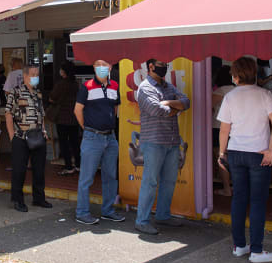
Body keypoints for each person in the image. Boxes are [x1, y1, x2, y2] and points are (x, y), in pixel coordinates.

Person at [217, 56, 272, 263]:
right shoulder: (264, 94)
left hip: (235, 152)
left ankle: (239, 246)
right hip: (259, 153)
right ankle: (256, 250)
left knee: (238, 199)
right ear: (254, 73)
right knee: (257, 202)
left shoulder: (230, 96)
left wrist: (221, 153)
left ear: (236, 76)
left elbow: (224, 129)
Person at [134, 59, 191, 236]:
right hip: (154, 141)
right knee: (150, 182)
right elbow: (156, 110)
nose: (164, 67)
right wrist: (174, 107)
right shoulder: (145, 88)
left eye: (165, 64)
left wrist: (166, 103)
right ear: (150, 66)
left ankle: (163, 215)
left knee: (169, 181)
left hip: (172, 141)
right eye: (160, 63)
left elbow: (186, 102)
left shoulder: (168, 86)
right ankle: (142, 221)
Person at [73, 59, 125, 225]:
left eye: (105, 65)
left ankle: (108, 211)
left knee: (110, 176)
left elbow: (114, 109)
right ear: (94, 67)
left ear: (110, 67)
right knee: (87, 178)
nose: (102, 68)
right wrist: (87, 128)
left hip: (110, 137)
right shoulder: (86, 86)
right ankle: (82, 212)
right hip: (92, 137)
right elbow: (77, 110)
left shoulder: (115, 86)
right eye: (99, 65)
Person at [6, 62, 52, 212]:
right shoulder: (15, 92)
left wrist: (44, 131)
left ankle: (39, 198)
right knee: (19, 170)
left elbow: (41, 114)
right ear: (25, 76)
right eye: (32, 75)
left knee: (39, 170)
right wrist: (12, 136)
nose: (35, 77)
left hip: (38, 136)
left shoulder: (38, 93)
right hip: (21, 137)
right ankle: (17, 200)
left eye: (37, 75)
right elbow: (8, 114)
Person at [49, 60, 80, 175]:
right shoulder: (75, 84)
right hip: (74, 117)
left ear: (64, 71)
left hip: (62, 117)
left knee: (64, 143)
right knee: (75, 142)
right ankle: (78, 165)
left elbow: (52, 98)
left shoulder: (61, 84)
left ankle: (68, 166)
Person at [212, 66, 235, 196]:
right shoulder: (236, 89)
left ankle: (227, 188)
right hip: (235, 128)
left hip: (219, 127)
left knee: (221, 157)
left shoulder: (220, 91)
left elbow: (207, 107)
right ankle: (235, 186)